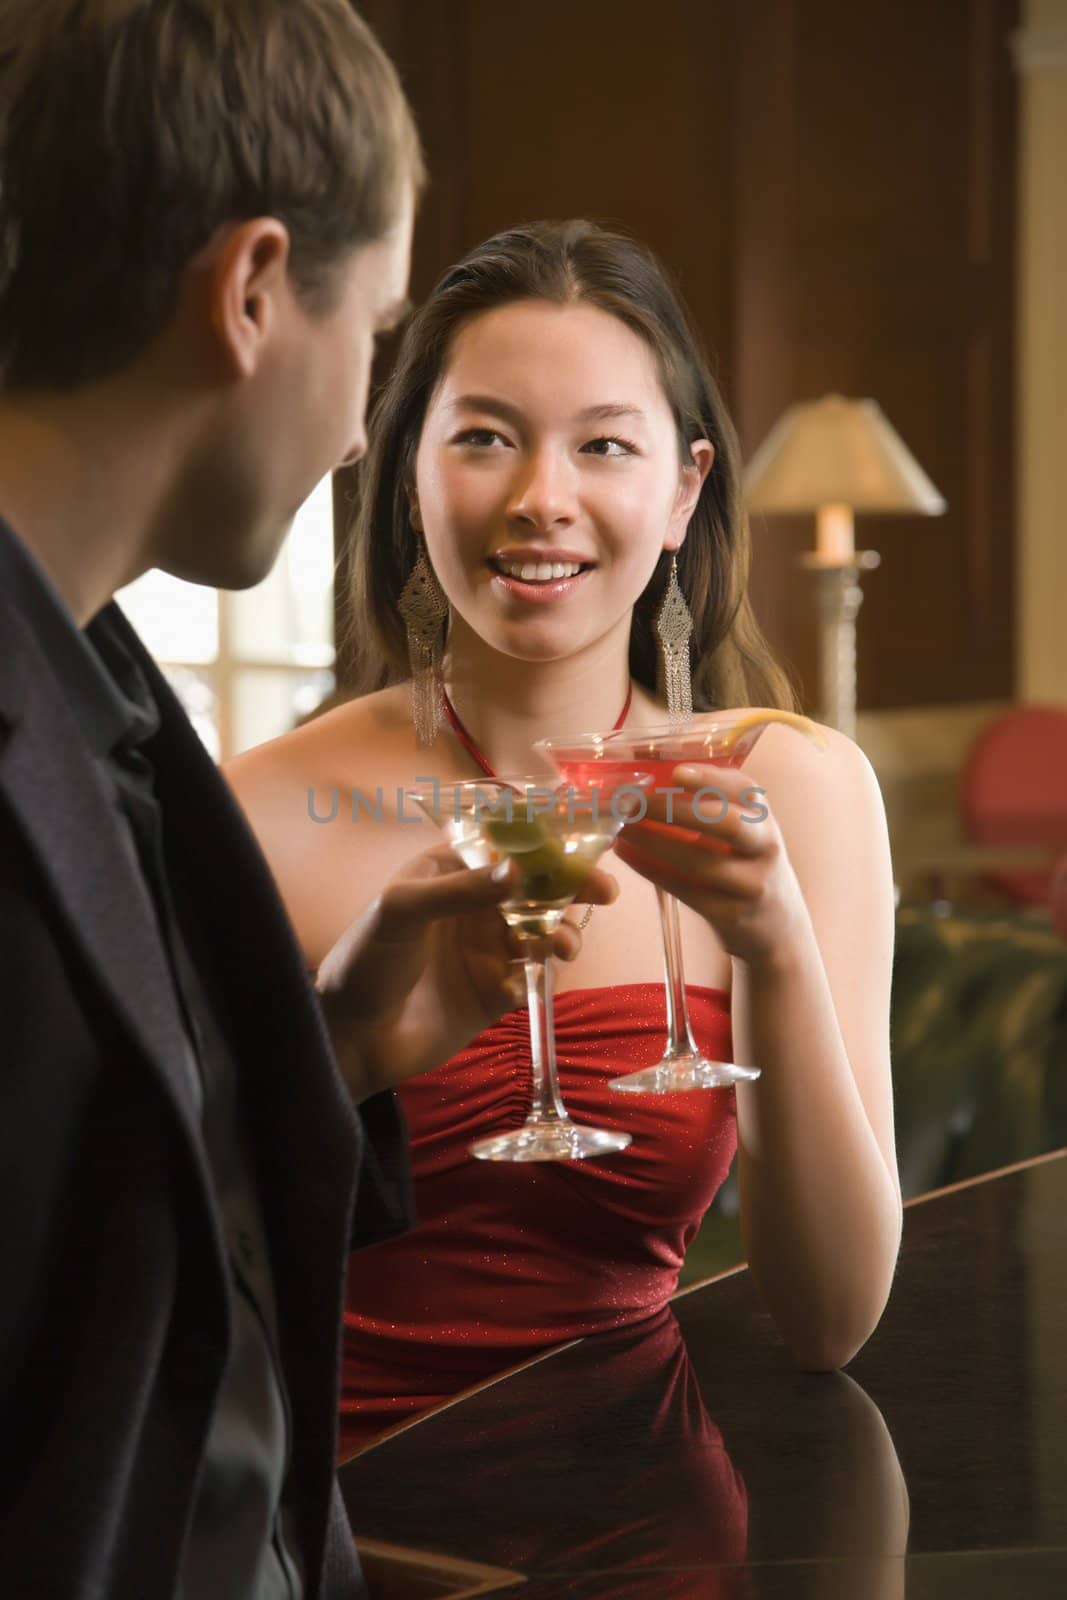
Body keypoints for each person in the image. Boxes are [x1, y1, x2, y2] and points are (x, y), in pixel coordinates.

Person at [0, 6, 615, 1596]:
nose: (359, 431)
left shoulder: (102, 701)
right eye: (381, 335)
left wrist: (328, 1047)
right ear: (255, 289)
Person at [226, 220, 903, 1457]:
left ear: (682, 489)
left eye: (603, 445)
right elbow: (155, 1265)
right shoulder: (254, 812)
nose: (543, 499)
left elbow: (832, 1321)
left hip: (645, 1520)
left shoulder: (795, 791)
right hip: (317, 1519)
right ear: (405, 468)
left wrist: (777, 946)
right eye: (483, 436)